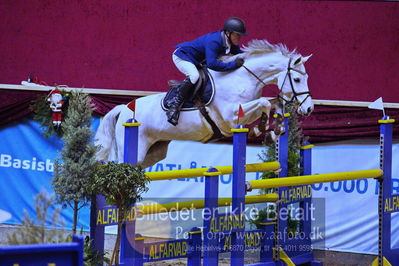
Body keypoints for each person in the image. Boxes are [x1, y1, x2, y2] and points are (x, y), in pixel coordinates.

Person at [166, 17, 247, 126]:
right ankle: (174, 105)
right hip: (182, 56)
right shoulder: (215, 41)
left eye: (240, 35)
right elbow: (211, 64)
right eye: (237, 34)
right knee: (194, 76)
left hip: (196, 61)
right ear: (228, 33)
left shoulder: (228, 42)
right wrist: (233, 65)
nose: (239, 37)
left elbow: (241, 53)